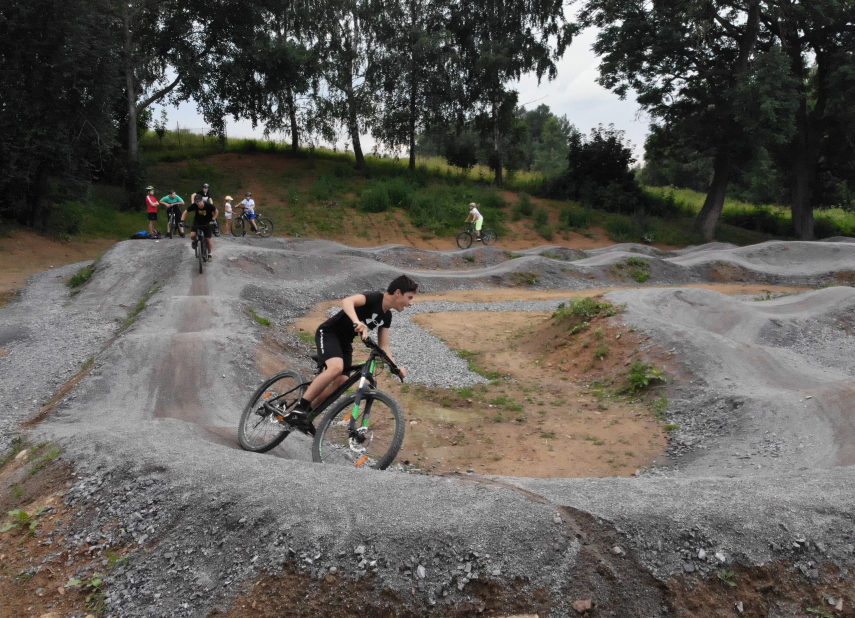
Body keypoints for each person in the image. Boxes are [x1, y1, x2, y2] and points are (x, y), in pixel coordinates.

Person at [286, 275, 419, 424]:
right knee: (336, 368)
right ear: (398, 293)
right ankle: (300, 407)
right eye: (409, 297)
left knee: (342, 382)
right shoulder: (375, 297)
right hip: (329, 333)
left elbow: (384, 346)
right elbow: (347, 301)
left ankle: (307, 416)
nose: (411, 303)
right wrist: (357, 322)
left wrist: (395, 367)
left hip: (345, 343)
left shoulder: (387, 316)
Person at [181, 194, 219, 260]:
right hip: (197, 222)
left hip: (208, 222)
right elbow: (186, 212)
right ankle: (195, 242)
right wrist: (182, 220)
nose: (198, 203)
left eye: (199, 201)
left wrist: (213, 219)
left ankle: (210, 254)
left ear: (202, 200)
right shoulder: (195, 206)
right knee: (192, 236)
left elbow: (216, 211)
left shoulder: (208, 205)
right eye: (197, 201)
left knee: (208, 239)